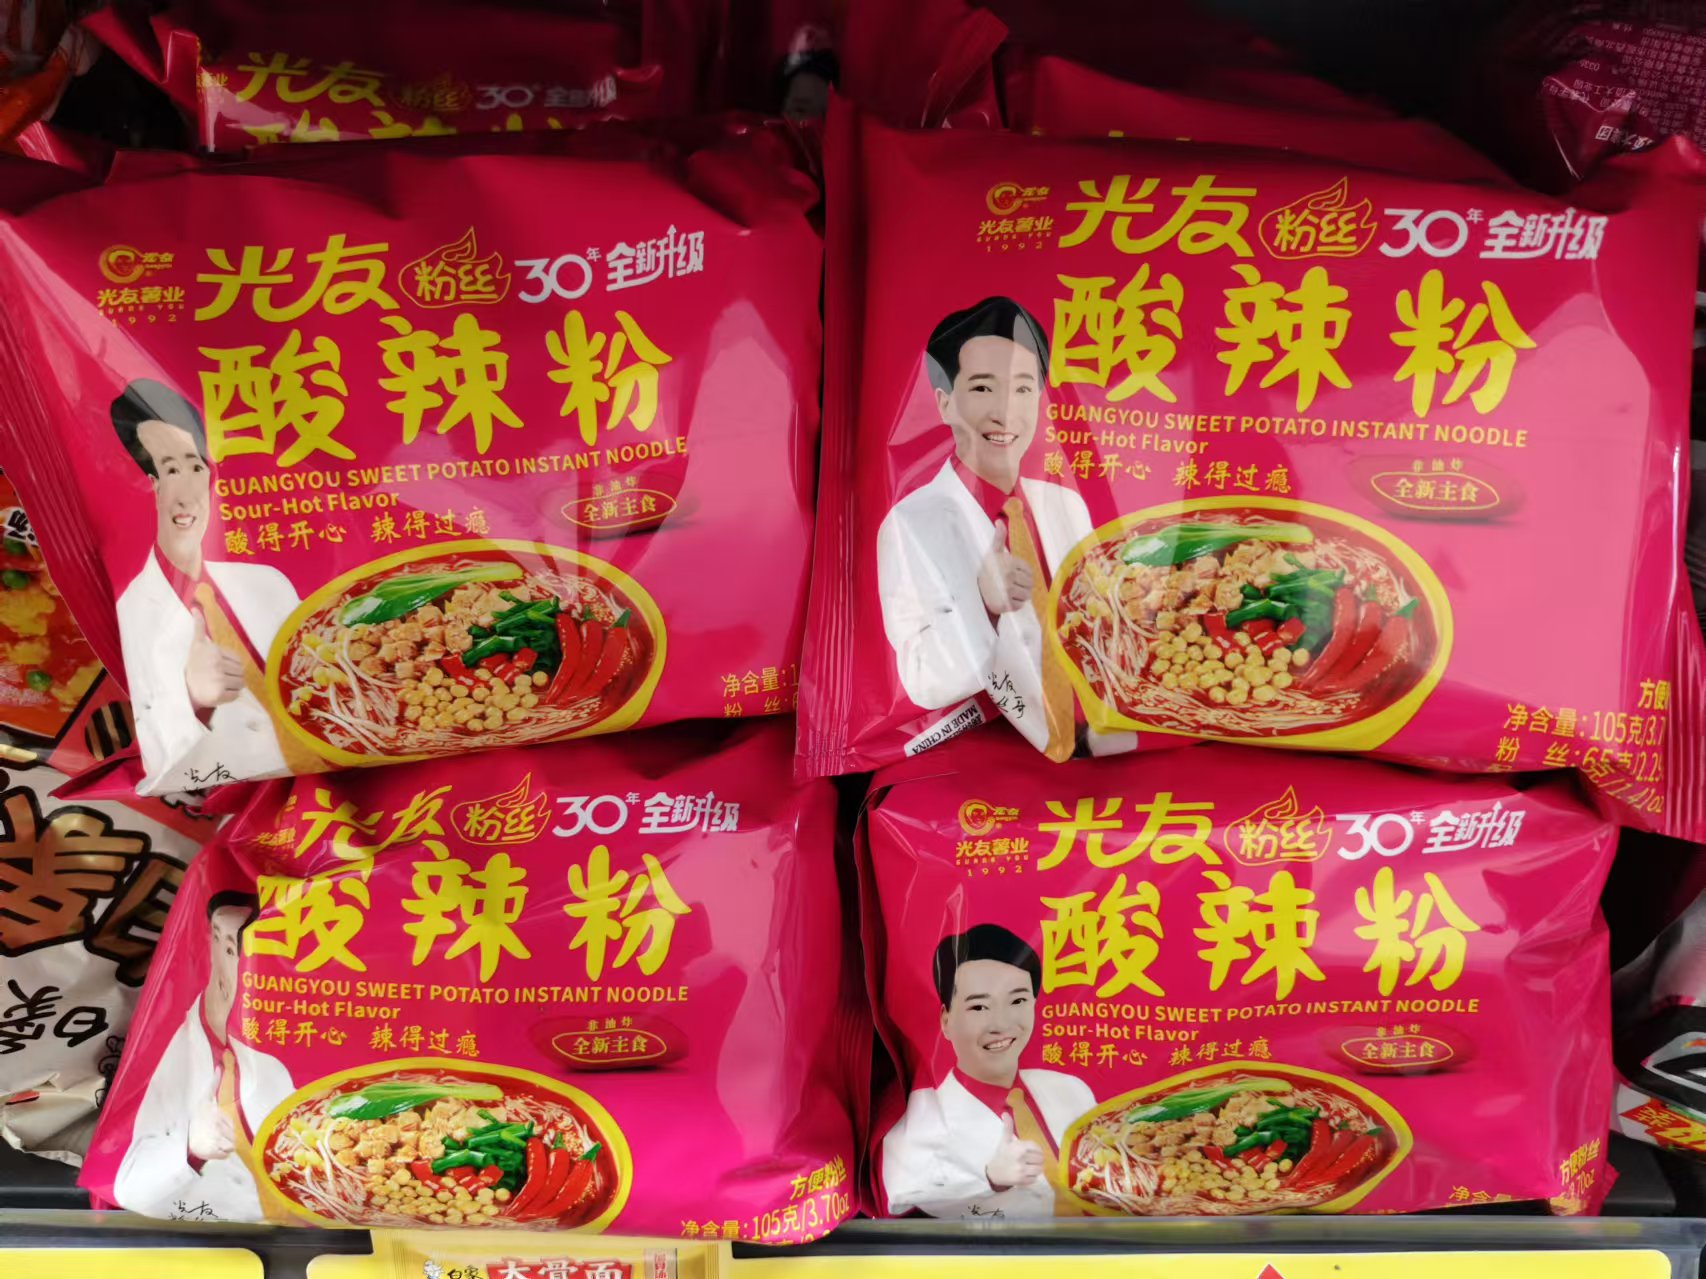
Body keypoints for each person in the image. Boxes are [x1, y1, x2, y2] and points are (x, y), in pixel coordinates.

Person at [875, 298, 1132, 757]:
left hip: (1110, 734)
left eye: (1023, 389)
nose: (1005, 412)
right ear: (945, 403)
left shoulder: (1064, 502)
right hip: (1002, 746)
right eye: (982, 388)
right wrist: (983, 605)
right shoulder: (910, 524)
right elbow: (921, 681)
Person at [110, 379, 308, 790]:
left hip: (340, 769)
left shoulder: (268, 582)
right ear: (146, 485)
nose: (186, 495)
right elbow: (160, 745)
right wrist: (193, 697)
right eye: (168, 470)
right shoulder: (129, 610)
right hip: (241, 789)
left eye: (195, 467)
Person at [881, 924, 1094, 1218]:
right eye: (979, 1007)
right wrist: (990, 1178)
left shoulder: (1071, 1089)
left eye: (1017, 1001)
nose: (1001, 1024)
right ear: (946, 1020)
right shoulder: (924, 1113)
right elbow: (902, 1192)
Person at [112, 893, 295, 1222]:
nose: (223, 961)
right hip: (192, 1226)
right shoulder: (179, 1028)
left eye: (234, 949)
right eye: (218, 941)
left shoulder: (283, 1054)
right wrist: (191, 1146)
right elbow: (130, 1187)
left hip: (284, 1227)